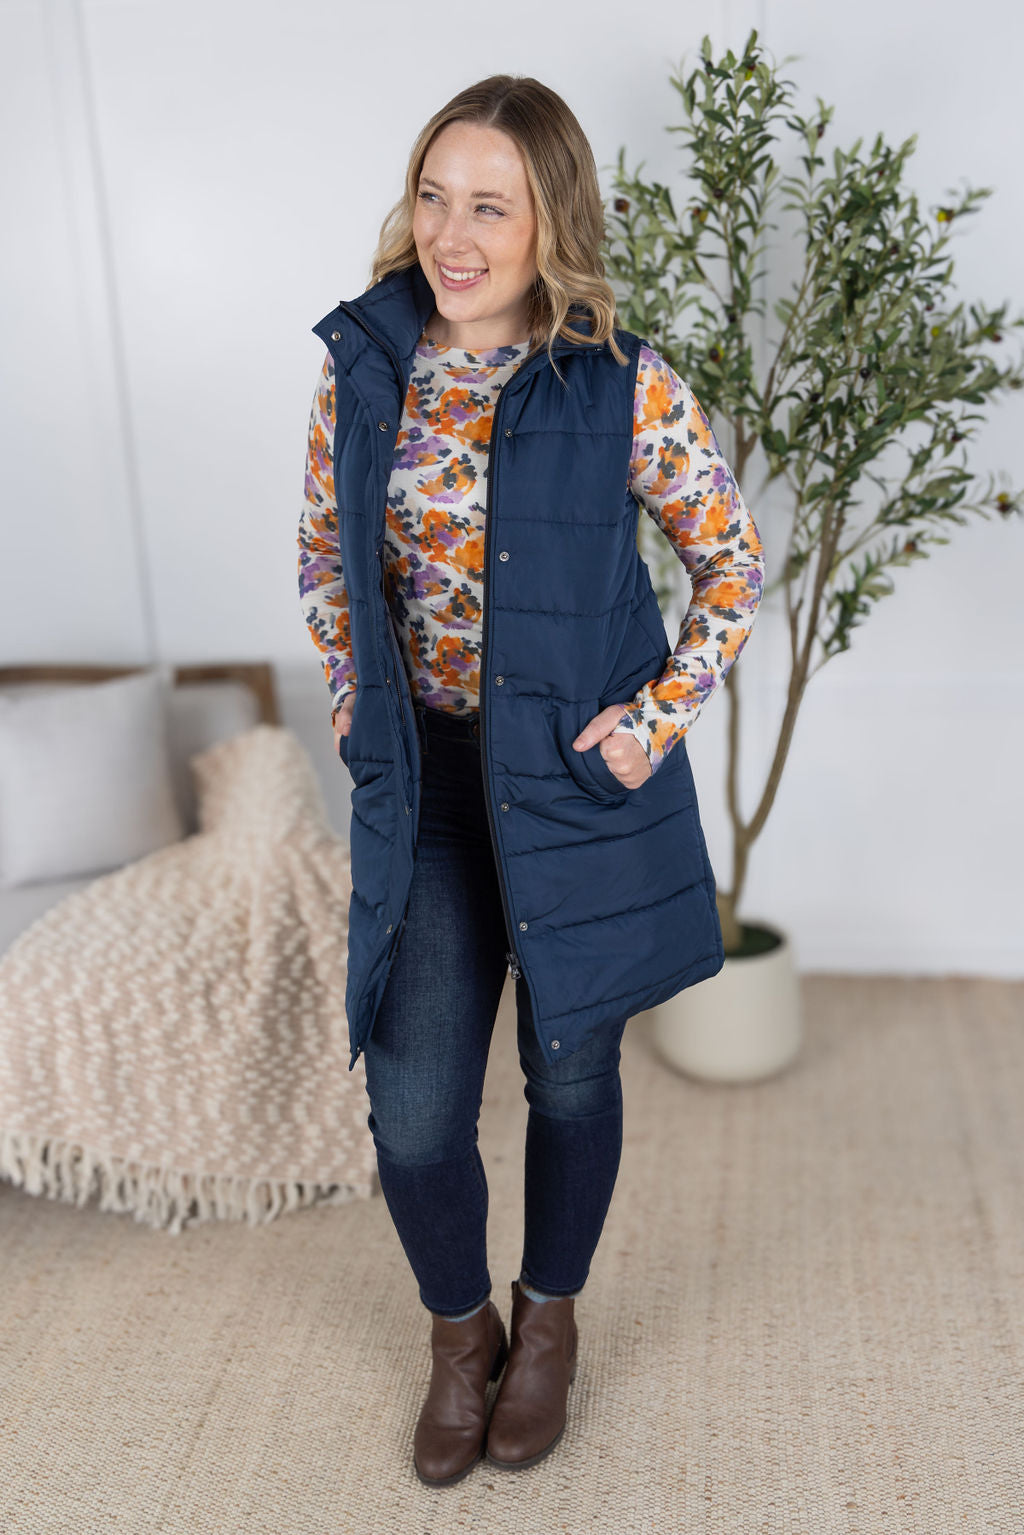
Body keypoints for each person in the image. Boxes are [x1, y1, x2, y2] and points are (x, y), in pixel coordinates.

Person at [298, 74, 765, 1487]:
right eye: (435, 197)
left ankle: (548, 1324)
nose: (454, 235)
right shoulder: (366, 365)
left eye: (490, 207)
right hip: (428, 783)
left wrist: (654, 721)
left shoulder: (623, 383)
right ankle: (463, 1337)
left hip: (569, 786)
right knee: (414, 1110)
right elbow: (323, 555)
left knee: (569, 1076)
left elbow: (731, 567)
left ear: (550, 220)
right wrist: (350, 690)